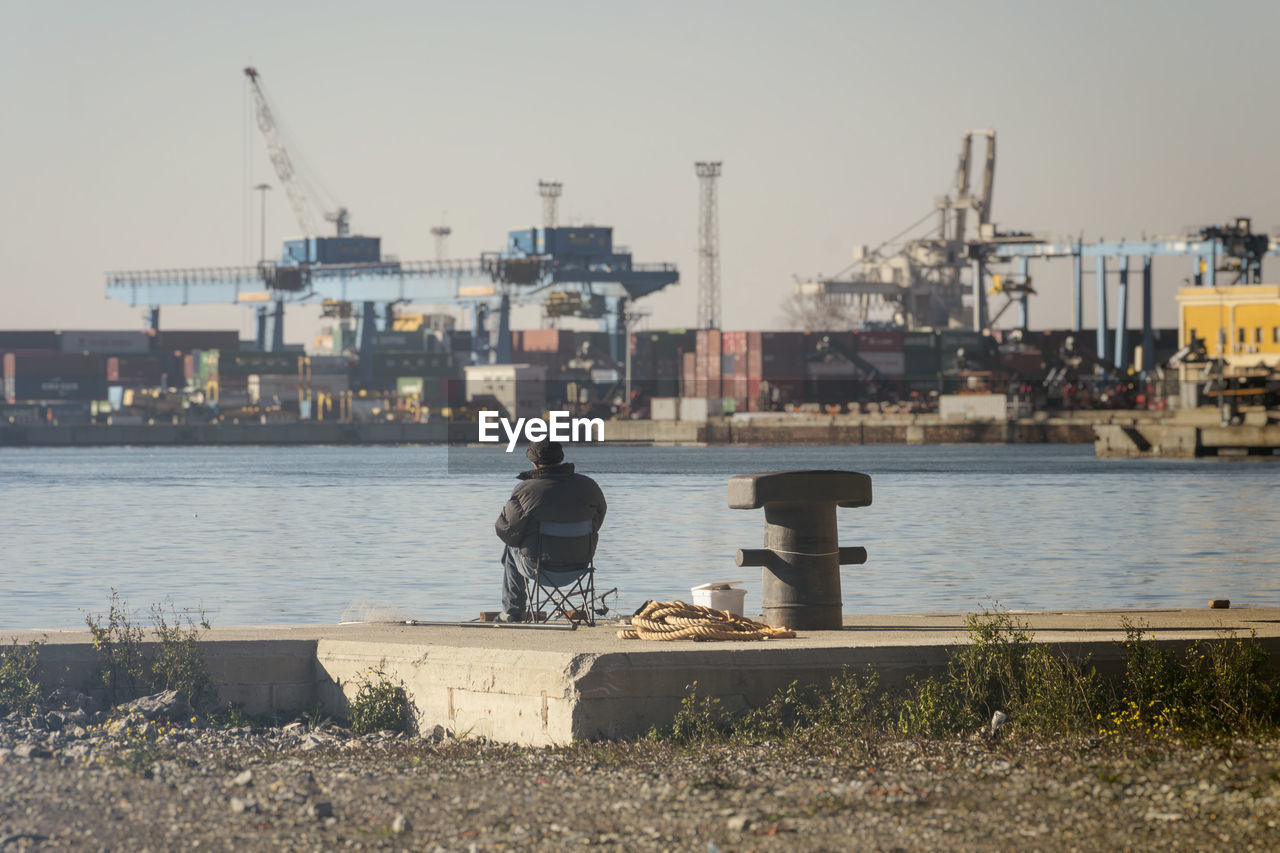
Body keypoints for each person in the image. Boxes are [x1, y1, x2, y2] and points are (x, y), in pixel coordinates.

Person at [494, 439, 607, 622]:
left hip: (539, 568)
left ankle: (512, 612)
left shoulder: (524, 490)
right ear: (561, 459)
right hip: (580, 565)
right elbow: (597, 523)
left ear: (534, 463)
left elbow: (507, 532)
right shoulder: (589, 486)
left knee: (511, 547)